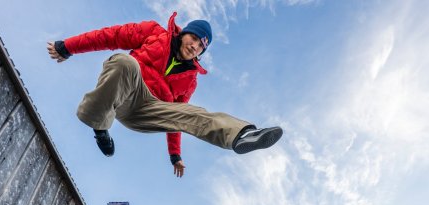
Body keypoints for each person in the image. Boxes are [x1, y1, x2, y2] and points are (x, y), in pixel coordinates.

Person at [47, 12, 283, 177]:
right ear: (184, 34)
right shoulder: (154, 33)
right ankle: (100, 127)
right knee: (124, 63)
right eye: (194, 39)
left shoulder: (190, 80)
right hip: (126, 87)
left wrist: (175, 155)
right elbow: (110, 36)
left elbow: (178, 119)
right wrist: (67, 47)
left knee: (192, 111)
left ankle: (240, 135)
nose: (195, 47)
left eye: (201, 46)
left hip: (147, 111)